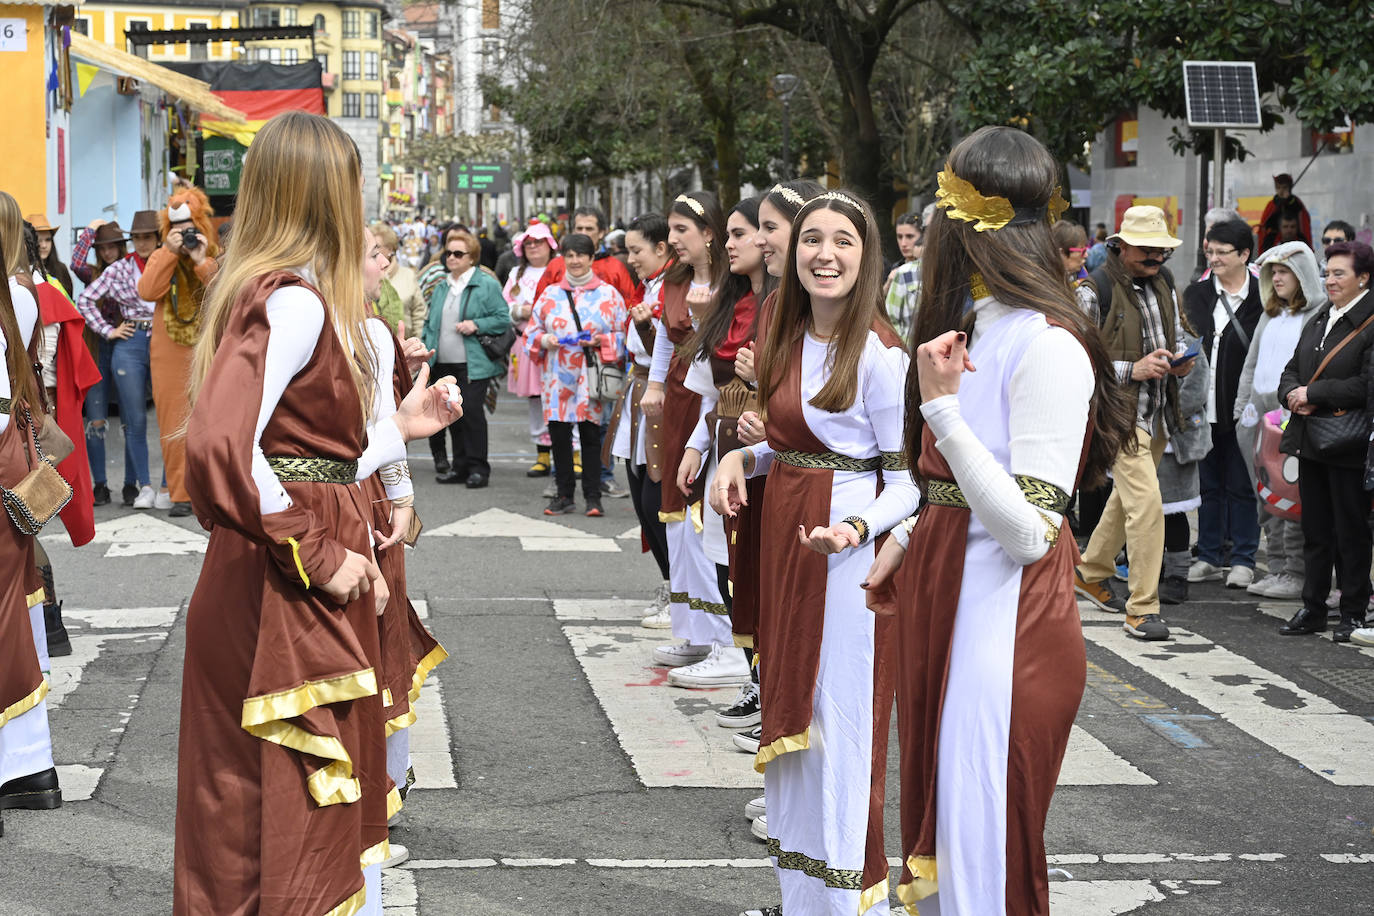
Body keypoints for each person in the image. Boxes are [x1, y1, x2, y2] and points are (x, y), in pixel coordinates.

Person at [174, 111, 461, 915]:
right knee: (284, 791)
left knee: (266, 791)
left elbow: (298, 455)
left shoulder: (279, 295)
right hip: (287, 574)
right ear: (331, 194)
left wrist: (397, 432)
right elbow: (221, 448)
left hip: (284, 561)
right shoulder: (294, 302)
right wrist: (322, 554)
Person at [862, 125, 1135, 916]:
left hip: (1006, 625)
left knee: (986, 859)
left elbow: (1027, 532)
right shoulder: (977, 328)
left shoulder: (1048, 347)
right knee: (949, 842)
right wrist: (908, 538)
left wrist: (942, 410)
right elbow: (953, 488)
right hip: (951, 600)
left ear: (962, 225)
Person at [710, 189, 916, 916]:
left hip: (847, 561)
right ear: (792, 253)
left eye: (843, 242)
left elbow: (909, 481)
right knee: (796, 729)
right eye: (812, 240)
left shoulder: (883, 355)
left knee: (842, 731)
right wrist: (744, 462)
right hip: (789, 544)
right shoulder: (789, 340)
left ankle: (852, 904)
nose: (825, 254)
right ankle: (803, 902)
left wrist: (857, 533)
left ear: (867, 259)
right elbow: (795, 445)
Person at [1074, 205, 1196, 641]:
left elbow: (1176, 336)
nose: (1157, 257)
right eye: (1147, 249)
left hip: (1159, 410)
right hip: (1119, 414)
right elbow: (1076, 359)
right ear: (1120, 246)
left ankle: (1090, 572)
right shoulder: (1093, 291)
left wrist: (1180, 362)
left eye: (1162, 249)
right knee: (1146, 506)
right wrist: (1134, 370)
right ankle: (1142, 608)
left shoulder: (1164, 282)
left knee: (1127, 501)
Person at [673, 196, 764, 690]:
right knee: (725, 560)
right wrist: (695, 447)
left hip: (764, 457)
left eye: (741, 233)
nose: (730, 245)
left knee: (756, 570)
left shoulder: (784, 307)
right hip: (722, 448)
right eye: (727, 234)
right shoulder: (728, 305)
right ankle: (752, 679)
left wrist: (762, 380)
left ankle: (762, 684)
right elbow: (710, 393)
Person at [641, 192, 731, 668]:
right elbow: (662, 338)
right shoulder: (674, 280)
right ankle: (691, 629)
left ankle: (720, 635)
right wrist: (656, 385)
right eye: (671, 230)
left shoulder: (731, 282)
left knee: (704, 514)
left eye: (682, 231)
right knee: (674, 512)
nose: (672, 240)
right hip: (678, 398)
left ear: (709, 233)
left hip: (713, 398)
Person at [1276, 241, 1374, 643]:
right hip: (1311, 438)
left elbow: (1366, 385)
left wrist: (1312, 395)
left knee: (1351, 530)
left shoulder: (1368, 321)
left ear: (1363, 278)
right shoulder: (1322, 316)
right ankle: (1313, 606)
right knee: (1315, 527)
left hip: (1347, 442)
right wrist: (1291, 394)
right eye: (1327, 273)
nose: (1329, 281)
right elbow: (1293, 368)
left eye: (1339, 274)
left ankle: (1353, 611)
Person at [0, 213, 64, 820]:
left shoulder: (16, 295)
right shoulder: (19, 294)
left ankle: (23, 764)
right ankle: (25, 763)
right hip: (12, 446)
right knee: (15, 595)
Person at [1234, 241, 1327, 600]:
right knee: (1266, 499)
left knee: (1292, 498)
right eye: (1273, 273)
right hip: (1257, 419)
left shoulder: (1316, 316)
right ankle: (1276, 568)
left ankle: (1295, 573)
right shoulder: (1269, 314)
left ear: (1302, 274)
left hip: (1293, 417)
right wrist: (1242, 408)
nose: (1278, 279)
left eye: (1285, 271)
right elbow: (1251, 365)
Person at [1184, 219, 1263, 589]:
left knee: (1243, 484)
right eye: (1208, 251)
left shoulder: (1263, 298)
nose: (1213, 258)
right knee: (1208, 485)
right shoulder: (1196, 295)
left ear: (1244, 254)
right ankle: (1209, 554)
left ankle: (1244, 558)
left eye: (1221, 252)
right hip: (1202, 407)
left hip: (1242, 407)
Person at [524, 232, 627, 517]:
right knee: (559, 436)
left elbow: (625, 336)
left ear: (592, 258)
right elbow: (531, 333)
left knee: (591, 435)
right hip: (557, 376)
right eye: (569, 255)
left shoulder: (609, 295)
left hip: (590, 376)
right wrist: (546, 341)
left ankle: (593, 496)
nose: (575, 260)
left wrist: (602, 342)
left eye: (581, 255)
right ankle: (564, 494)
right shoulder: (550, 294)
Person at [137, 187, 221, 517]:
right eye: (178, 228)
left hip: (207, 346)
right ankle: (181, 494)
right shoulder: (163, 254)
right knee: (172, 421)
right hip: (169, 350)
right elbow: (147, 290)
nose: (185, 234)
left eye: (190, 227)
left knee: (212, 419)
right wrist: (168, 252)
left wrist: (201, 260)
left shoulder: (212, 252)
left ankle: (212, 490)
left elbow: (222, 293)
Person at [613, 213, 675, 625]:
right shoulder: (651, 285)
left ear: (661, 248)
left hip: (664, 397)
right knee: (639, 491)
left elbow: (673, 350)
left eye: (637, 250)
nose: (631, 259)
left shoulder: (673, 288)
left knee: (659, 498)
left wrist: (649, 328)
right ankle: (669, 584)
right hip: (637, 387)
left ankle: (679, 591)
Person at [421, 228, 511, 488]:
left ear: (472, 257)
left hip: (473, 364)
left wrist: (476, 324)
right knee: (451, 416)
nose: (452, 258)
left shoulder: (486, 284)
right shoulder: (442, 286)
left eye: (458, 254)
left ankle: (478, 468)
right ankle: (459, 466)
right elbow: (431, 324)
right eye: (448, 253)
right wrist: (426, 352)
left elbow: (503, 318)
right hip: (443, 363)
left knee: (471, 414)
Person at [503, 220, 558, 478]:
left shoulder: (560, 269)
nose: (533, 247)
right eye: (529, 243)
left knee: (562, 396)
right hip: (525, 343)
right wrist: (518, 311)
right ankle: (542, 454)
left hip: (557, 345)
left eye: (538, 242)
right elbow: (504, 307)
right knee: (535, 399)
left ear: (549, 245)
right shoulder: (516, 275)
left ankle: (573, 453)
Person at [371, 222, 425, 337]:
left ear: (390, 249)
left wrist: (417, 343)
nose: (374, 251)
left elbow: (419, 314)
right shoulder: (364, 277)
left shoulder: (408, 275)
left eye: (377, 246)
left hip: (406, 346)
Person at [1258, 173, 1312, 253]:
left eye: (1284, 187)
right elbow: (1264, 225)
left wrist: (1287, 201)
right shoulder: (1272, 204)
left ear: (1289, 188)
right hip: (1274, 239)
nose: (1281, 191)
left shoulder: (1296, 203)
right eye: (1278, 188)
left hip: (1294, 238)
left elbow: (1304, 224)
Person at [1052, 218, 1094, 318]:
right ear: (1061, 253)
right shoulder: (1044, 284)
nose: (1086, 255)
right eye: (1082, 250)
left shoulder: (1082, 278)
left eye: (1086, 249)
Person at [25, 213, 73, 297]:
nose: (44, 245)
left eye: (48, 240)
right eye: (39, 240)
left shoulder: (61, 269)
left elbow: (69, 302)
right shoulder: (23, 272)